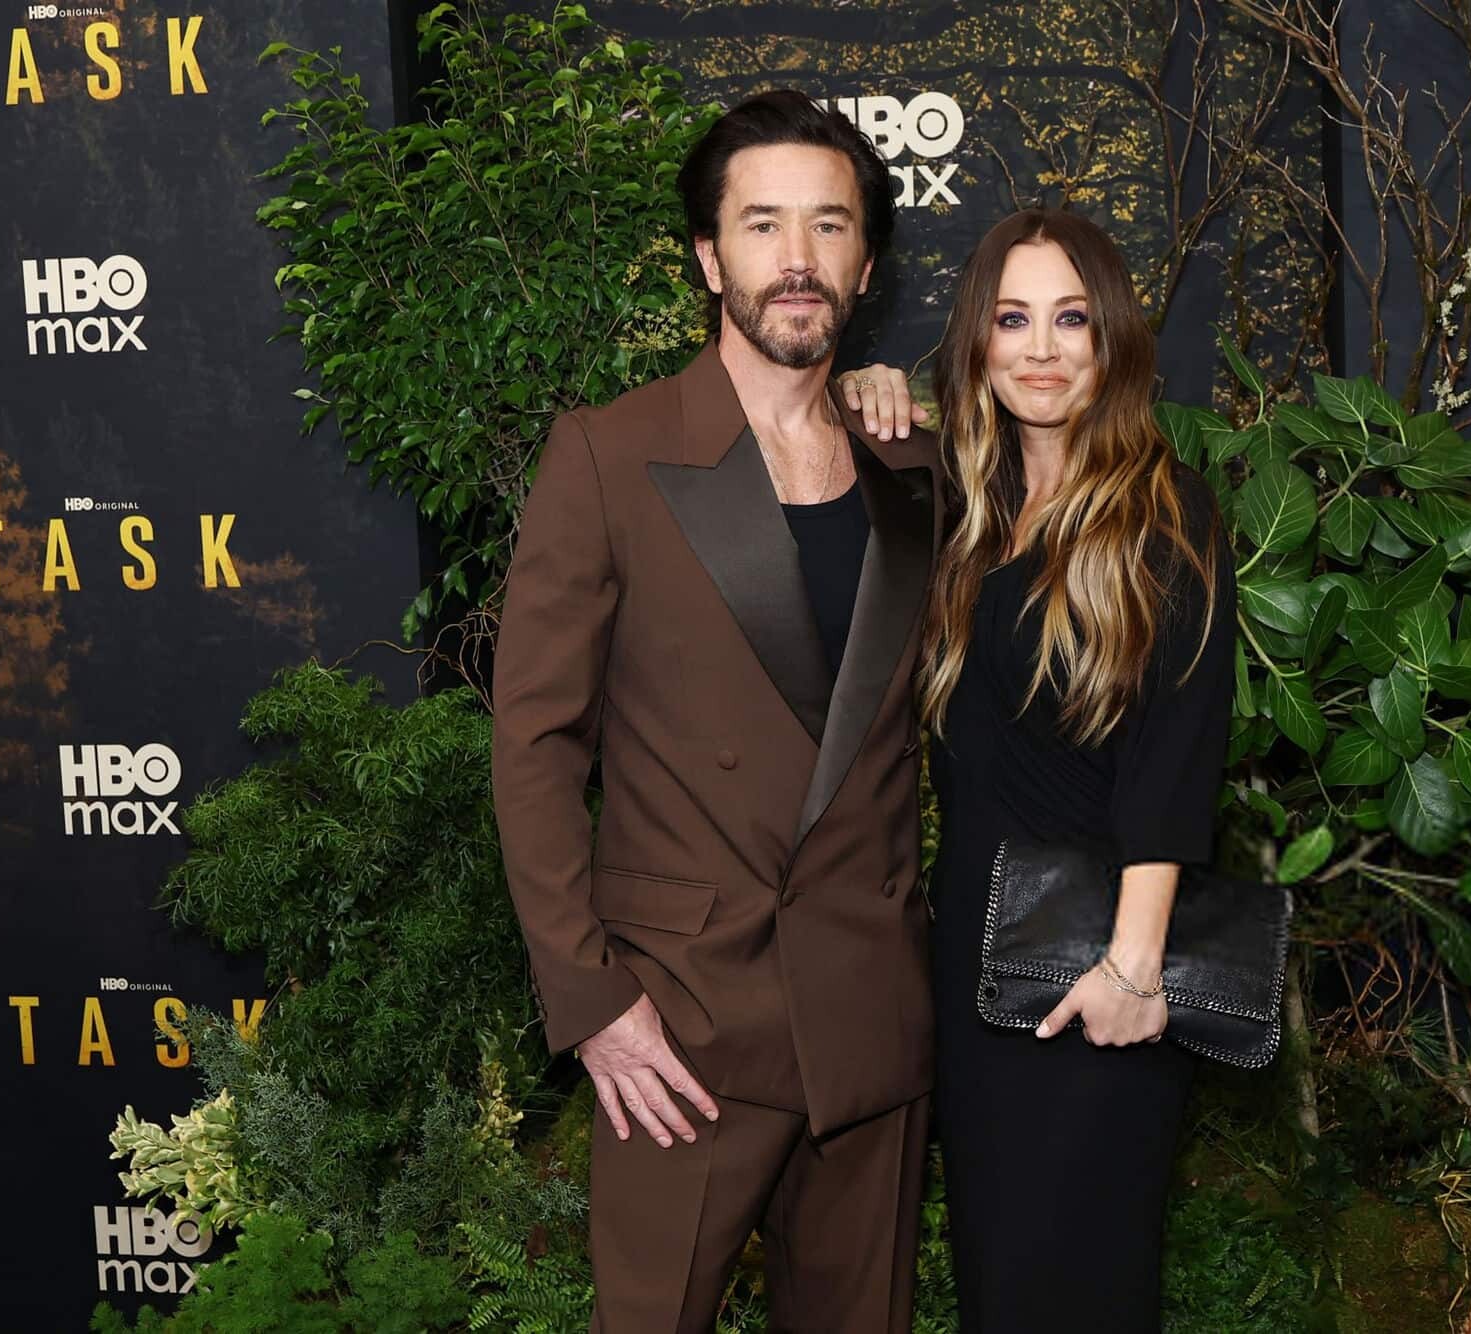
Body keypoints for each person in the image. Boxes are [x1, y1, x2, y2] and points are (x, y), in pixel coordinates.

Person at [491, 91, 941, 1332]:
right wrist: (591, 999)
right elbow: (533, 747)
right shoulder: (609, 454)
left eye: (828, 225)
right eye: (761, 224)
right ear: (707, 257)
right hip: (679, 1028)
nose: (796, 258)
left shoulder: (912, 466)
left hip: (868, 1017)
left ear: (865, 262)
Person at [842, 208, 1236, 1332]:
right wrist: (862, 390)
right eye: (1012, 320)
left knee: (1083, 1290)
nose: (1043, 349)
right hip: (973, 974)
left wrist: (1134, 970)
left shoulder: (1166, 512)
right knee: (999, 1288)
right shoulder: (970, 514)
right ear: (976, 340)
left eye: (1072, 319)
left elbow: (1178, 756)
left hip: (1096, 979)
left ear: (1112, 340)